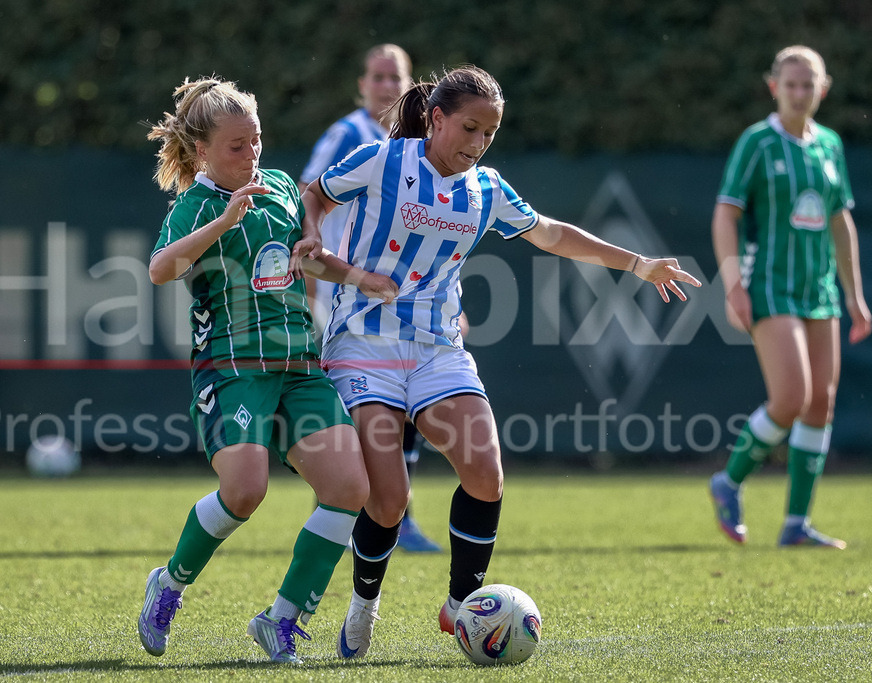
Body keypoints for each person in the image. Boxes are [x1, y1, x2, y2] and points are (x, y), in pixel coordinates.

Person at [298, 65, 702, 658]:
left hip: (437, 349)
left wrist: (639, 264)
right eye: (469, 128)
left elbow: (552, 234)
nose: (478, 143)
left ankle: (462, 605)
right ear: (435, 118)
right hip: (364, 343)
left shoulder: (486, 188)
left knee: (485, 472)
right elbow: (315, 195)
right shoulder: (382, 160)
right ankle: (363, 606)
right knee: (386, 500)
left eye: (489, 133)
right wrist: (312, 235)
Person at [137, 76, 397, 664]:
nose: (251, 153)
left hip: (300, 365)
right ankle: (170, 584)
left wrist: (358, 276)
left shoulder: (279, 185)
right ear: (201, 151)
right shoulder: (196, 207)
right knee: (246, 490)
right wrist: (224, 222)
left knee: (348, 489)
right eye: (236, 145)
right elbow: (160, 269)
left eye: (255, 140)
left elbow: (307, 253)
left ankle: (281, 620)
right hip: (233, 369)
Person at [708, 45, 870, 549]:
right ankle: (728, 481)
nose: (800, 93)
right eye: (791, 84)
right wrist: (733, 285)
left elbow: (841, 222)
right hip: (771, 287)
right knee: (791, 398)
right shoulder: (757, 143)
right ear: (774, 86)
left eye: (809, 85)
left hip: (818, 290)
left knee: (820, 404)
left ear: (822, 90)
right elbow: (725, 215)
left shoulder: (829, 145)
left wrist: (855, 297)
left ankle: (796, 523)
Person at [300, 43, 443, 553]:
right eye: (377, 77)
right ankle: (350, 506)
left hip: (404, 299)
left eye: (395, 77)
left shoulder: (427, 145)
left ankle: (385, 513)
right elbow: (307, 193)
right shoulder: (349, 135)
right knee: (369, 406)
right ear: (362, 85)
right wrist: (316, 275)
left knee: (406, 403)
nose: (386, 86)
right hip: (349, 293)